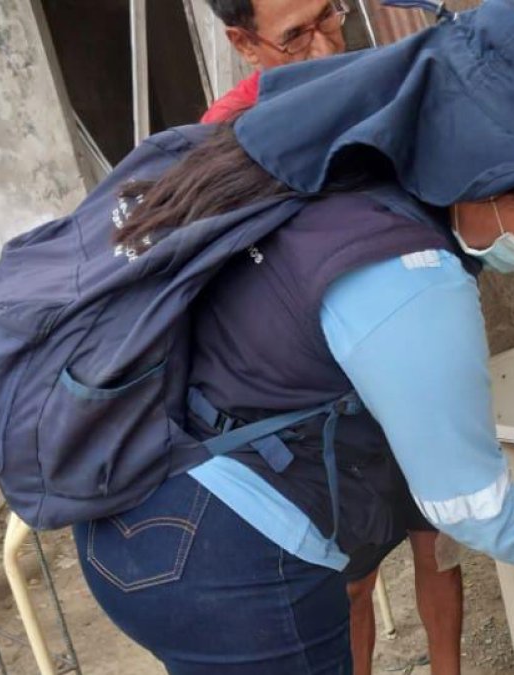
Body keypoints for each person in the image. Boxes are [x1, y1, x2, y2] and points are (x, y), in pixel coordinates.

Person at [74, 2, 514, 672]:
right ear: (482, 161)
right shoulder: (411, 275)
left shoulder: (337, 165)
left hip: (140, 518)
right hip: (227, 560)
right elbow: (474, 508)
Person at [201, 2, 468, 673]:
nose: (325, 47)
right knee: (351, 576)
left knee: (439, 538)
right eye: (296, 35)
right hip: (322, 394)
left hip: (416, 359)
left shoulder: (389, 84)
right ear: (244, 42)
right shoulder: (229, 135)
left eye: (330, 15)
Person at [200, 0, 349, 124]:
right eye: (295, 36)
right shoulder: (231, 128)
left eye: (326, 16)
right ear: (245, 45)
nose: (326, 52)